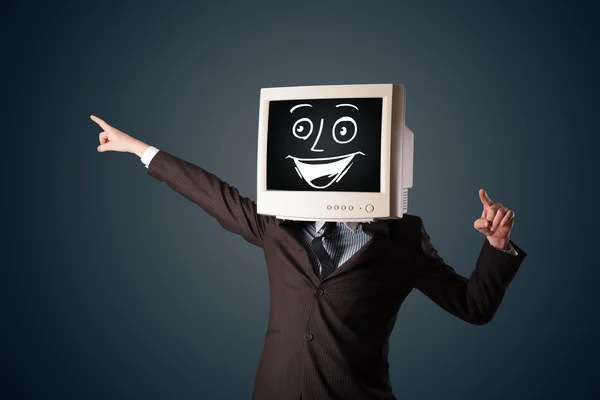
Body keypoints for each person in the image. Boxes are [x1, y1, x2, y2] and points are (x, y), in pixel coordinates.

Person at [91, 114, 527, 400]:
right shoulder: (276, 227)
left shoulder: (403, 237)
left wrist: (496, 247)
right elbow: (213, 193)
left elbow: (473, 306)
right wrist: (139, 149)